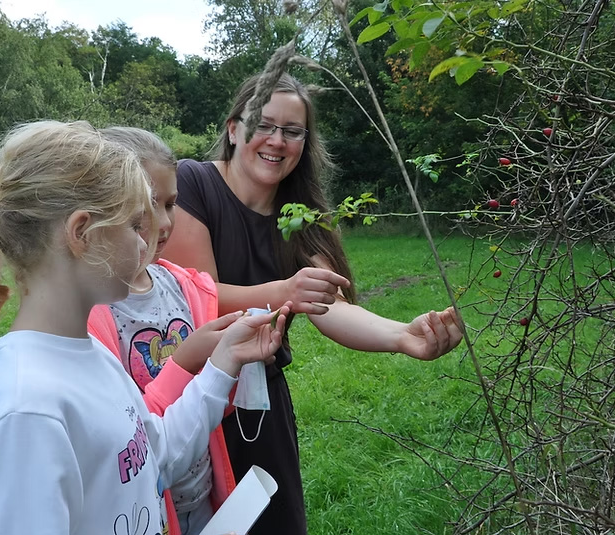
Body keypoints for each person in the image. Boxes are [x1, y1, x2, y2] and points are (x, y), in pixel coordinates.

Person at [0, 119, 291, 535]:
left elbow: (155, 454)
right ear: (82, 233)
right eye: (133, 225)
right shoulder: (28, 409)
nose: (146, 242)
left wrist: (224, 361)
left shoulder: (93, 358)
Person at [164, 72, 465, 535]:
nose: (277, 141)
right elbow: (197, 297)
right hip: (193, 400)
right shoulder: (194, 184)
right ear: (232, 128)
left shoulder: (300, 214)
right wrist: (283, 291)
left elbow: (332, 304)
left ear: (305, 142)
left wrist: (402, 335)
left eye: (292, 131)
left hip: (262, 409)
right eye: (264, 125)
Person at [87, 126, 237, 535]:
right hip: (147, 510)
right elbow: (127, 437)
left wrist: (235, 362)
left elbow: (215, 406)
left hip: (202, 494)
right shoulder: (93, 312)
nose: (165, 222)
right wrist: (188, 359)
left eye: (172, 204)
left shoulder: (184, 286)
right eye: (151, 205)